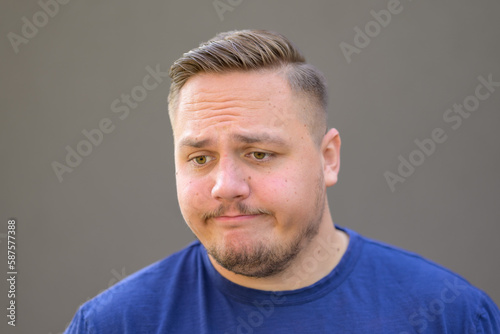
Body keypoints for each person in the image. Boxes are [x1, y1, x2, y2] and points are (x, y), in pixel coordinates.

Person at [65, 29, 500, 333]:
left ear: (328, 160)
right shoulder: (114, 324)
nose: (226, 185)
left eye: (259, 154)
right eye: (200, 158)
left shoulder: (449, 316)